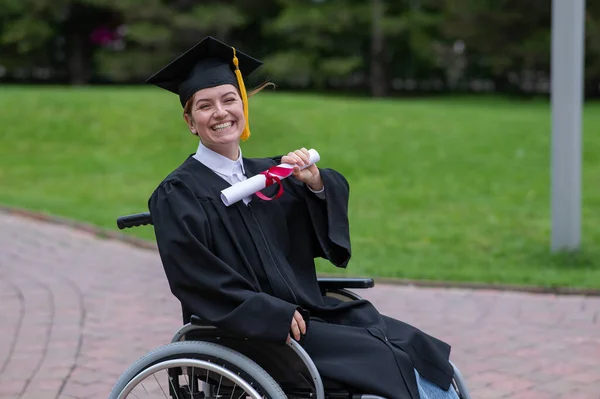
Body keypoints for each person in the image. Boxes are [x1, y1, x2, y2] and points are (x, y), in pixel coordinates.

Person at [146, 36, 459, 399]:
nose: (220, 113)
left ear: (243, 105)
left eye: (229, 99)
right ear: (190, 121)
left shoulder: (270, 174)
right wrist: (267, 313)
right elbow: (196, 278)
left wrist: (314, 183)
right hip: (257, 332)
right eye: (205, 105)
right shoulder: (178, 194)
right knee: (386, 360)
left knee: (410, 343)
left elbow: (329, 197)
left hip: (309, 314)